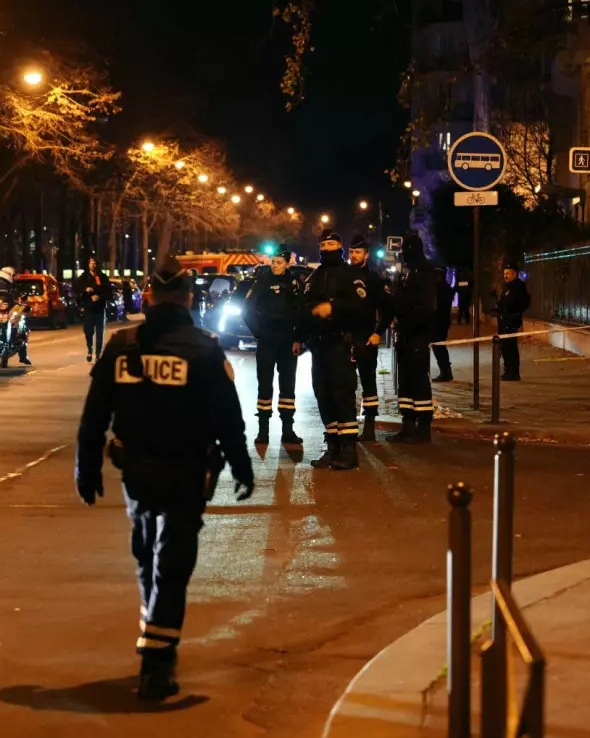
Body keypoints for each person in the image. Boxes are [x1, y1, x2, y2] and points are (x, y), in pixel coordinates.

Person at [75, 256, 255, 701]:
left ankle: (154, 637)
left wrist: (87, 466)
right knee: (172, 565)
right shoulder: (204, 349)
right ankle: (156, 661)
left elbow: (95, 414)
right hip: (187, 472)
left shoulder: (121, 347)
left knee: (147, 558)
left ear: (148, 297)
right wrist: (241, 465)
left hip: (136, 472)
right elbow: (227, 417)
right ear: (190, 299)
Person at [298, 230, 370, 470]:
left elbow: (361, 307)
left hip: (341, 344)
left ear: (339, 245)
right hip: (319, 346)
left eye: (332, 244)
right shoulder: (314, 277)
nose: (327, 248)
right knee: (324, 395)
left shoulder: (350, 275)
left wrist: (333, 308)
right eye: (324, 244)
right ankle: (333, 446)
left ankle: (349, 448)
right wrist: (302, 333)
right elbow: (303, 307)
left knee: (342, 394)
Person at [243, 245, 304, 446]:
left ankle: (288, 430)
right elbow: (248, 310)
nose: (275, 265)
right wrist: (259, 333)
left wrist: (298, 338)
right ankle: (263, 431)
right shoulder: (262, 281)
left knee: (288, 386)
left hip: (288, 342)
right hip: (267, 340)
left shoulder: (294, 283)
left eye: (279, 262)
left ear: (287, 263)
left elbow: (301, 312)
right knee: (265, 385)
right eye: (272, 261)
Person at [388, 234, 439, 443]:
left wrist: (407, 321)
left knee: (419, 380)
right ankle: (407, 423)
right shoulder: (406, 270)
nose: (403, 253)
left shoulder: (425, 271)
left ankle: (423, 427)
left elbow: (427, 307)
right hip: (404, 335)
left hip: (417, 334)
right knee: (405, 382)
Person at [347, 234, 391, 442]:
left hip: (365, 338)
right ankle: (348, 426)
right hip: (345, 339)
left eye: (358, 252)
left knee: (368, 383)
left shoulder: (373, 279)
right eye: (352, 252)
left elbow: (388, 309)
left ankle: (370, 426)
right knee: (346, 383)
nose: (354, 256)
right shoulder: (343, 277)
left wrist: (377, 333)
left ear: (366, 255)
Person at [494, 263, 530, 382]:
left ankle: (514, 373)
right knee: (504, 347)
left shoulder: (518, 287)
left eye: (508, 273)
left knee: (511, 347)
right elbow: (502, 302)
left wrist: (514, 315)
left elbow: (519, 303)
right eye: (504, 274)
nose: (505, 276)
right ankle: (508, 370)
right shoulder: (507, 286)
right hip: (504, 320)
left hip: (511, 320)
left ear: (514, 274)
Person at [0, 266, 31, 365]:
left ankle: (23, 355)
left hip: (10, 310)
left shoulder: (11, 286)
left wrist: (22, 306)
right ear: (8, 274)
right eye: (13, 275)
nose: (14, 277)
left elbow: (14, 299)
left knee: (21, 327)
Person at [76, 258, 111, 362]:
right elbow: (76, 290)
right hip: (88, 309)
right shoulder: (83, 277)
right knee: (88, 331)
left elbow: (109, 293)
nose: (93, 265)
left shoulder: (103, 277)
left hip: (100, 309)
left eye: (95, 263)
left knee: (100, 333)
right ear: (88, 264)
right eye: (91, 263)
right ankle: (89, 349)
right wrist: (85, 291)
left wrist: (99, 297)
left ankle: (98, 354)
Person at [431, 267, 456, 383]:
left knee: (439, 347)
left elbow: (438, 307)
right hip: (440, 321)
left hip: (439, 322)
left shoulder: (442, 288)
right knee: (439, 347)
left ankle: (446, 372)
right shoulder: (443, 287)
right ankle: (445, 371)